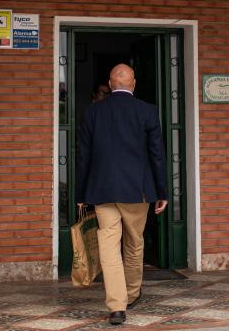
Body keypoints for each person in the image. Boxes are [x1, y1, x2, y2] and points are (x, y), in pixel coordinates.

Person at [76, 64, 167, 326]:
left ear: (110, 83)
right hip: (138, 191)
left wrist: (81, 192)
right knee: (134, 243)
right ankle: (132, 293)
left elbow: (84, 155)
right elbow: (157, 154)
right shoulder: (148, 111)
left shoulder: (94, 112)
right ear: (133, 84)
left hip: (102, 189)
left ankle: (117, 307)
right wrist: (162, 191)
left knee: (109, 246)